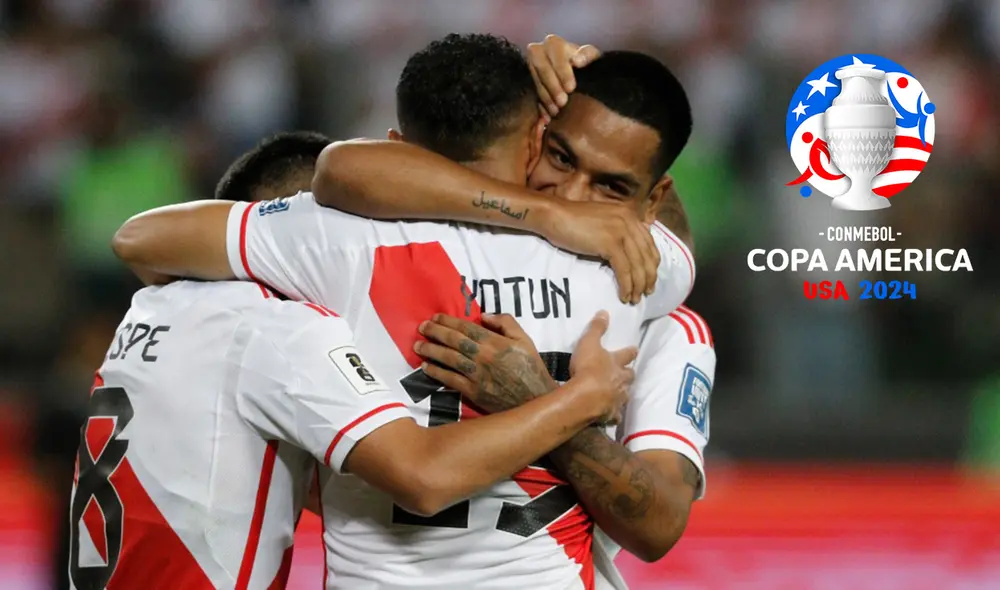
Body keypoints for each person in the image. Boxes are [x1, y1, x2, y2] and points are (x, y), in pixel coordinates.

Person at [111, 35, 701, 588]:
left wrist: (535, 210)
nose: (573, 199)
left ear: (399, 148)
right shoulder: (626, 262)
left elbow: (143, 239)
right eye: (561, 155)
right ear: (535, 137)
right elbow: (668, 232)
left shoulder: (337, 241)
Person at [68, 132, 636, 590]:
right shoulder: (281, 328)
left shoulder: (154, 303)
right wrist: (581, 397)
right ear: (296, 226)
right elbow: (424, 477)